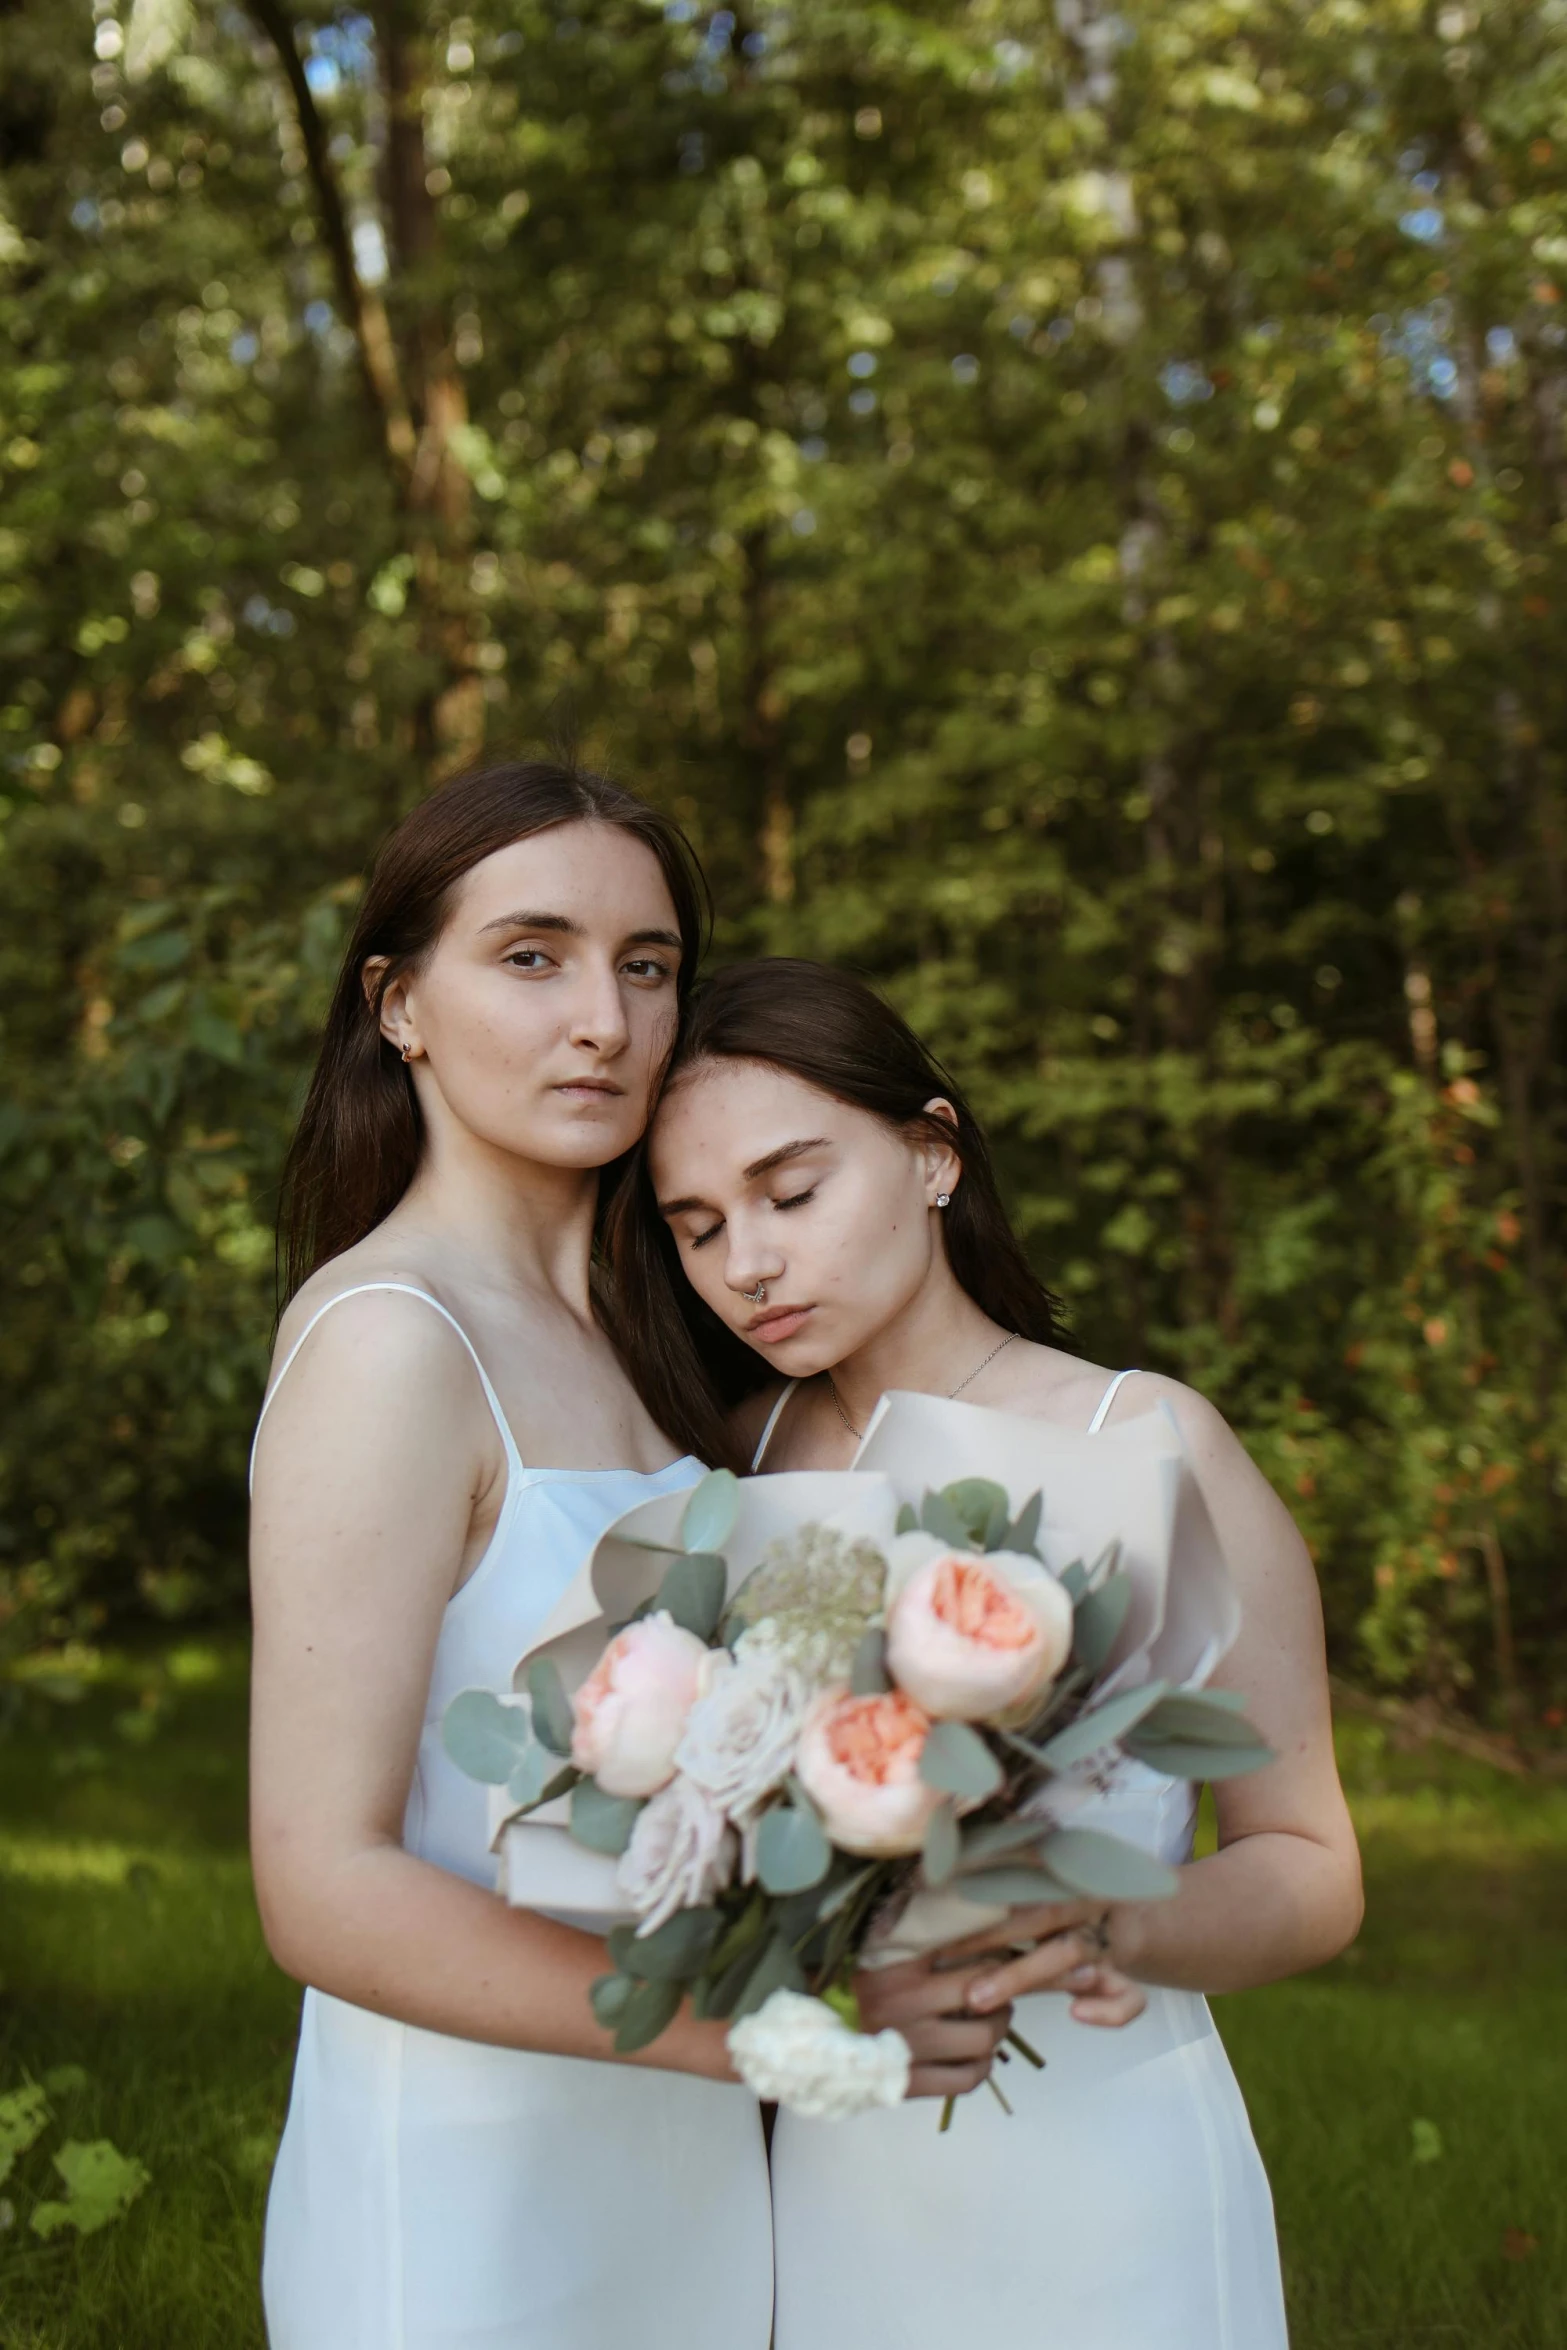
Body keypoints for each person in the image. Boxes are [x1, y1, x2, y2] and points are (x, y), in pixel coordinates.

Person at [607, 955, 1365, 2350]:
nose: (749, 1262)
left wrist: (1117, 1921)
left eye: (792, 1190)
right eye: (698, 1225)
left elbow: (1312, 1868)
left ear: (930, 1155)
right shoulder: (728, 1468)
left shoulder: (1144, 1441)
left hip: (1103, 2158)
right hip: (829, 2173)